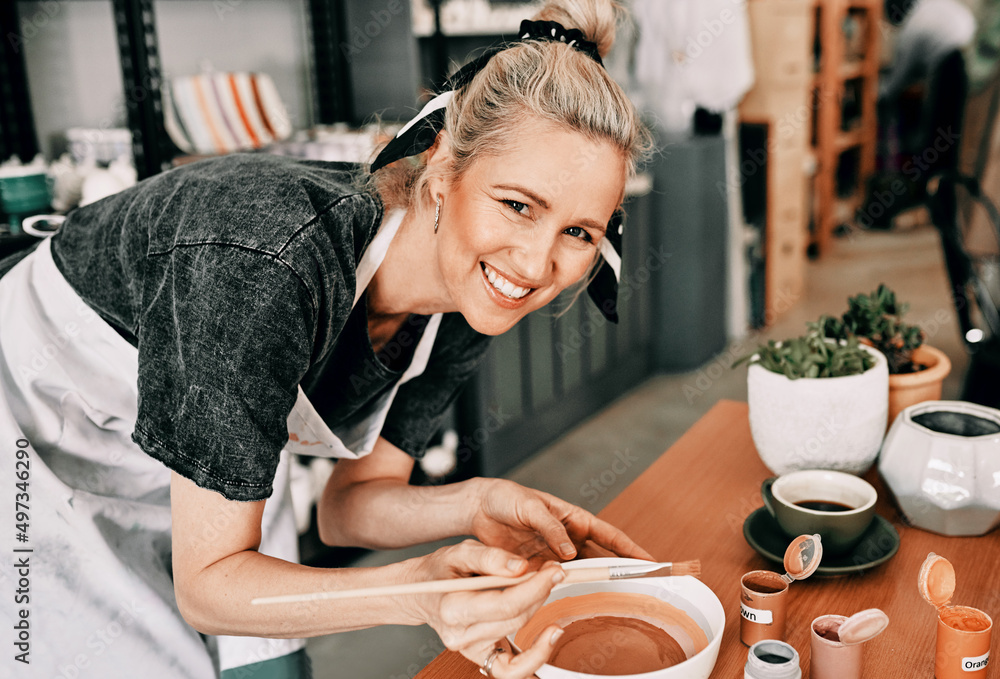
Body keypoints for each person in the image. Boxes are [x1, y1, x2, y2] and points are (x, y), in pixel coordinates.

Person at [0, 0, 654, 677]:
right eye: (517, 205)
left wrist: (478, 500)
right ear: (440, 169)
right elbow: (209, 588)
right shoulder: (264, 262)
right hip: (39, 428)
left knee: (272, 667)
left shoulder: (464, 299)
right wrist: (421, 594)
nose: (536, 263)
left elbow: (348, 508)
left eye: (580, 232)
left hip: (196, 437)